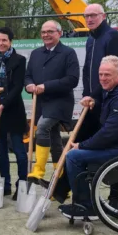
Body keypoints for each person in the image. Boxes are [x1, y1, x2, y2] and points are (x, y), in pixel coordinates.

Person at [59, 55, 118, 219]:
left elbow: (109, 133)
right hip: (117, 145)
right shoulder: (115, 92)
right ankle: (78, 196)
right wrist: (95, 102)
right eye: (100, 74)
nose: (103, 78)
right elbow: (111, 119)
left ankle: (86, 205)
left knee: (73, 156)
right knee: (76, 152)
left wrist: (82, 145)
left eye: (107, 75)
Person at [24, 20, 80, 188]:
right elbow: (28, 76)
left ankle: (38, 171)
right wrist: (29, 85)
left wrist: (45, 86)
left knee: (42, 127)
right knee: (55, 141)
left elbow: (72, 79)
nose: (46, 35)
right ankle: (60, 184)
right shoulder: (36, 53)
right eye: (43, 32)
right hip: (41, 103)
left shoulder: (68, 53)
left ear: (59, 33)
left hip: (60, 102)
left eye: (50, 31)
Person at [0, 27, 28, 199]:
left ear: (11, 42)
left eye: (4, 40)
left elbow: (18, 87)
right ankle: (6, 184)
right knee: (0, 150)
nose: (1, 43)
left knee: (19, 150)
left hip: (12, 109)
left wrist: (4, 104)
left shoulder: (19, 60)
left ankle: (22, 184)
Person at [78, 3, 118, 142]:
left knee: (102, 140)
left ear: (103, 16)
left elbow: (114, 71)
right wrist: (87, 94)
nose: (89, 19)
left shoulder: (113, 36)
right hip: (91, 100)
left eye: (93, 15)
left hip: (108, 99)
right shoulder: (90, 39)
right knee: (79, 139)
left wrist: (95, 95)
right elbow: (87, 69)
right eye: (86, 16)